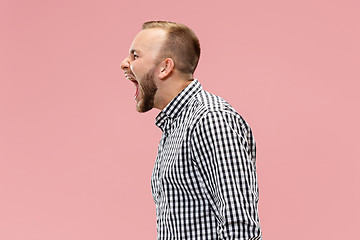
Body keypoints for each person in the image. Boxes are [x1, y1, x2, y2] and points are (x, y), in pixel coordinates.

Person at [120, 21, 262, 240]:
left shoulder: (211, 120)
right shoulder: (176, 125)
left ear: (165, 67)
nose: (124, 63)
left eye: (135, 56)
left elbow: (240, 230)